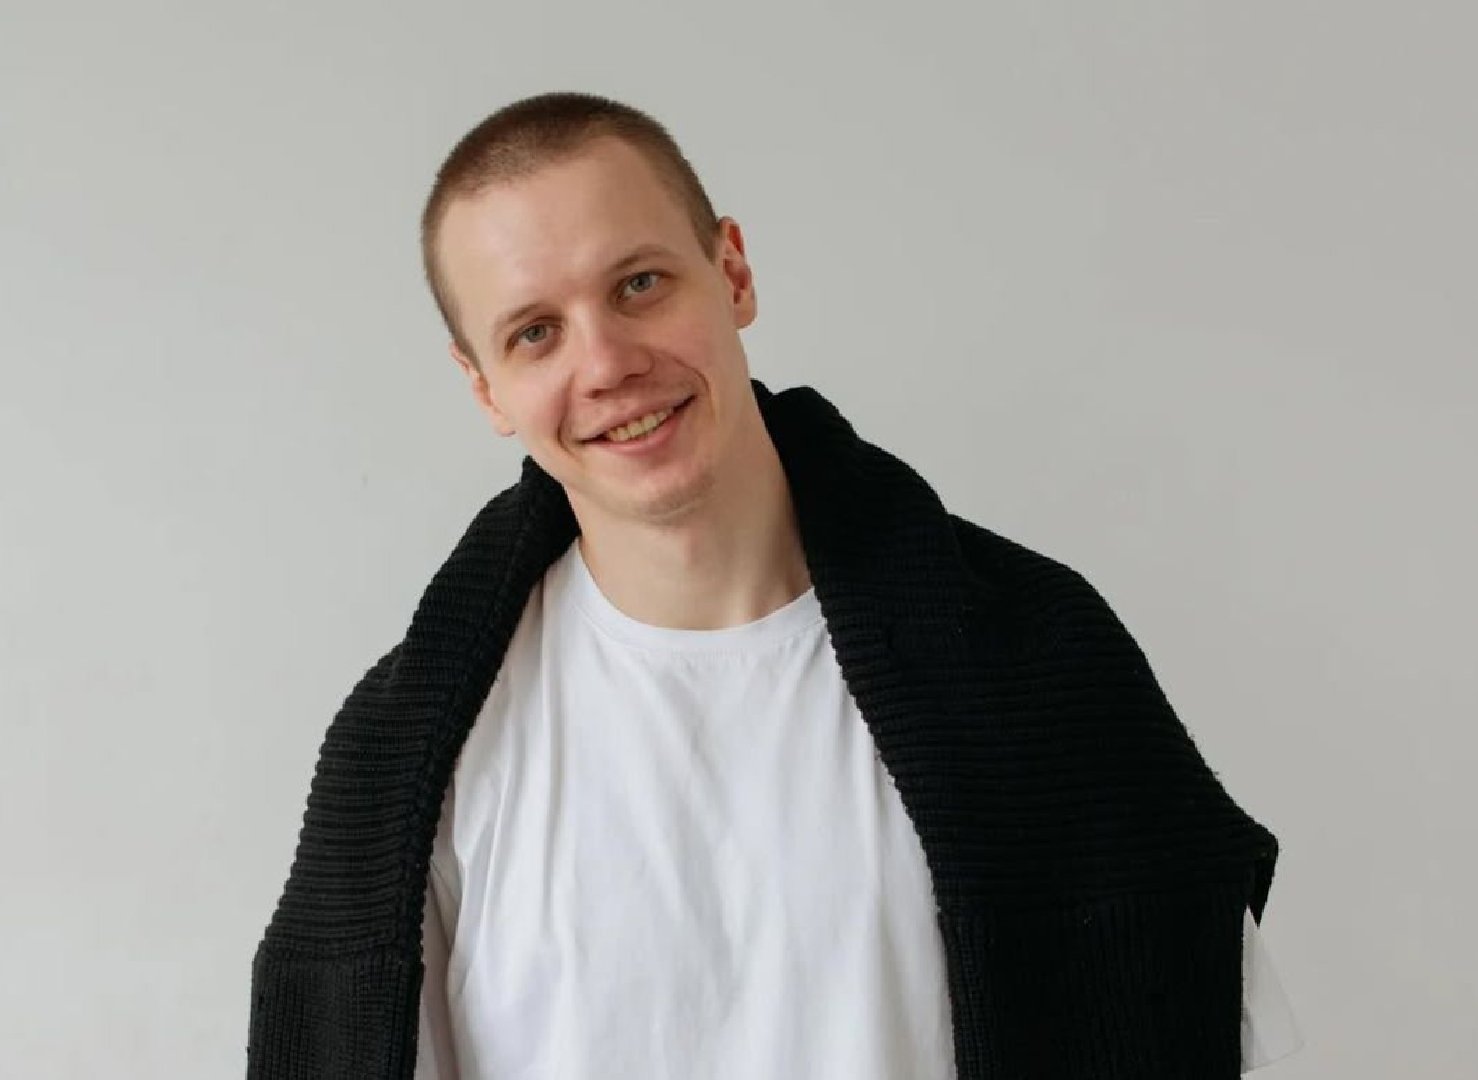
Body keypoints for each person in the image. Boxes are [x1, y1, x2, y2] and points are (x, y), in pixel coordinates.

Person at [247, 92, 1302, 1079]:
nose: (606, 363)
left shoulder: (1032, 658)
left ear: (733, 272)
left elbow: (1208, 1036)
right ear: (484, 387)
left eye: (639, 284)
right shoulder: (407, 762)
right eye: (535, 332)